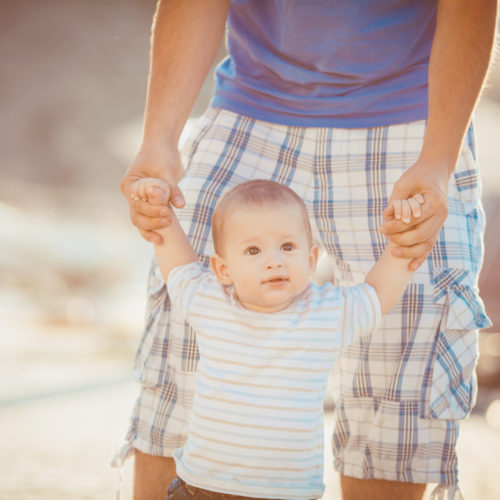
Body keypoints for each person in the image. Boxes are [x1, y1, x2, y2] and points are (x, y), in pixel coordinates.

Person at [117, 1, 497, 499]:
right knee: (176, 369)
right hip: (250, 106)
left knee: (397, 400)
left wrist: (436, 166)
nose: (272, 262)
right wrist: (159, 139)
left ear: (309, 255)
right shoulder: (201, 289)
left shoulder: (333, 315)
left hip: (411, 112)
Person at [130, 178, 422, 500]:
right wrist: (160, 211)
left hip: (288, 494)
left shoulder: (326, 313)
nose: (274, 260)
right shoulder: (208, 301)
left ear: (311, 259)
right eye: (253, 250)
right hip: (203, 487)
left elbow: (378, 294)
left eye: (287, 246)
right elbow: (176, 262)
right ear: (223, 269)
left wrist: (405, 240)